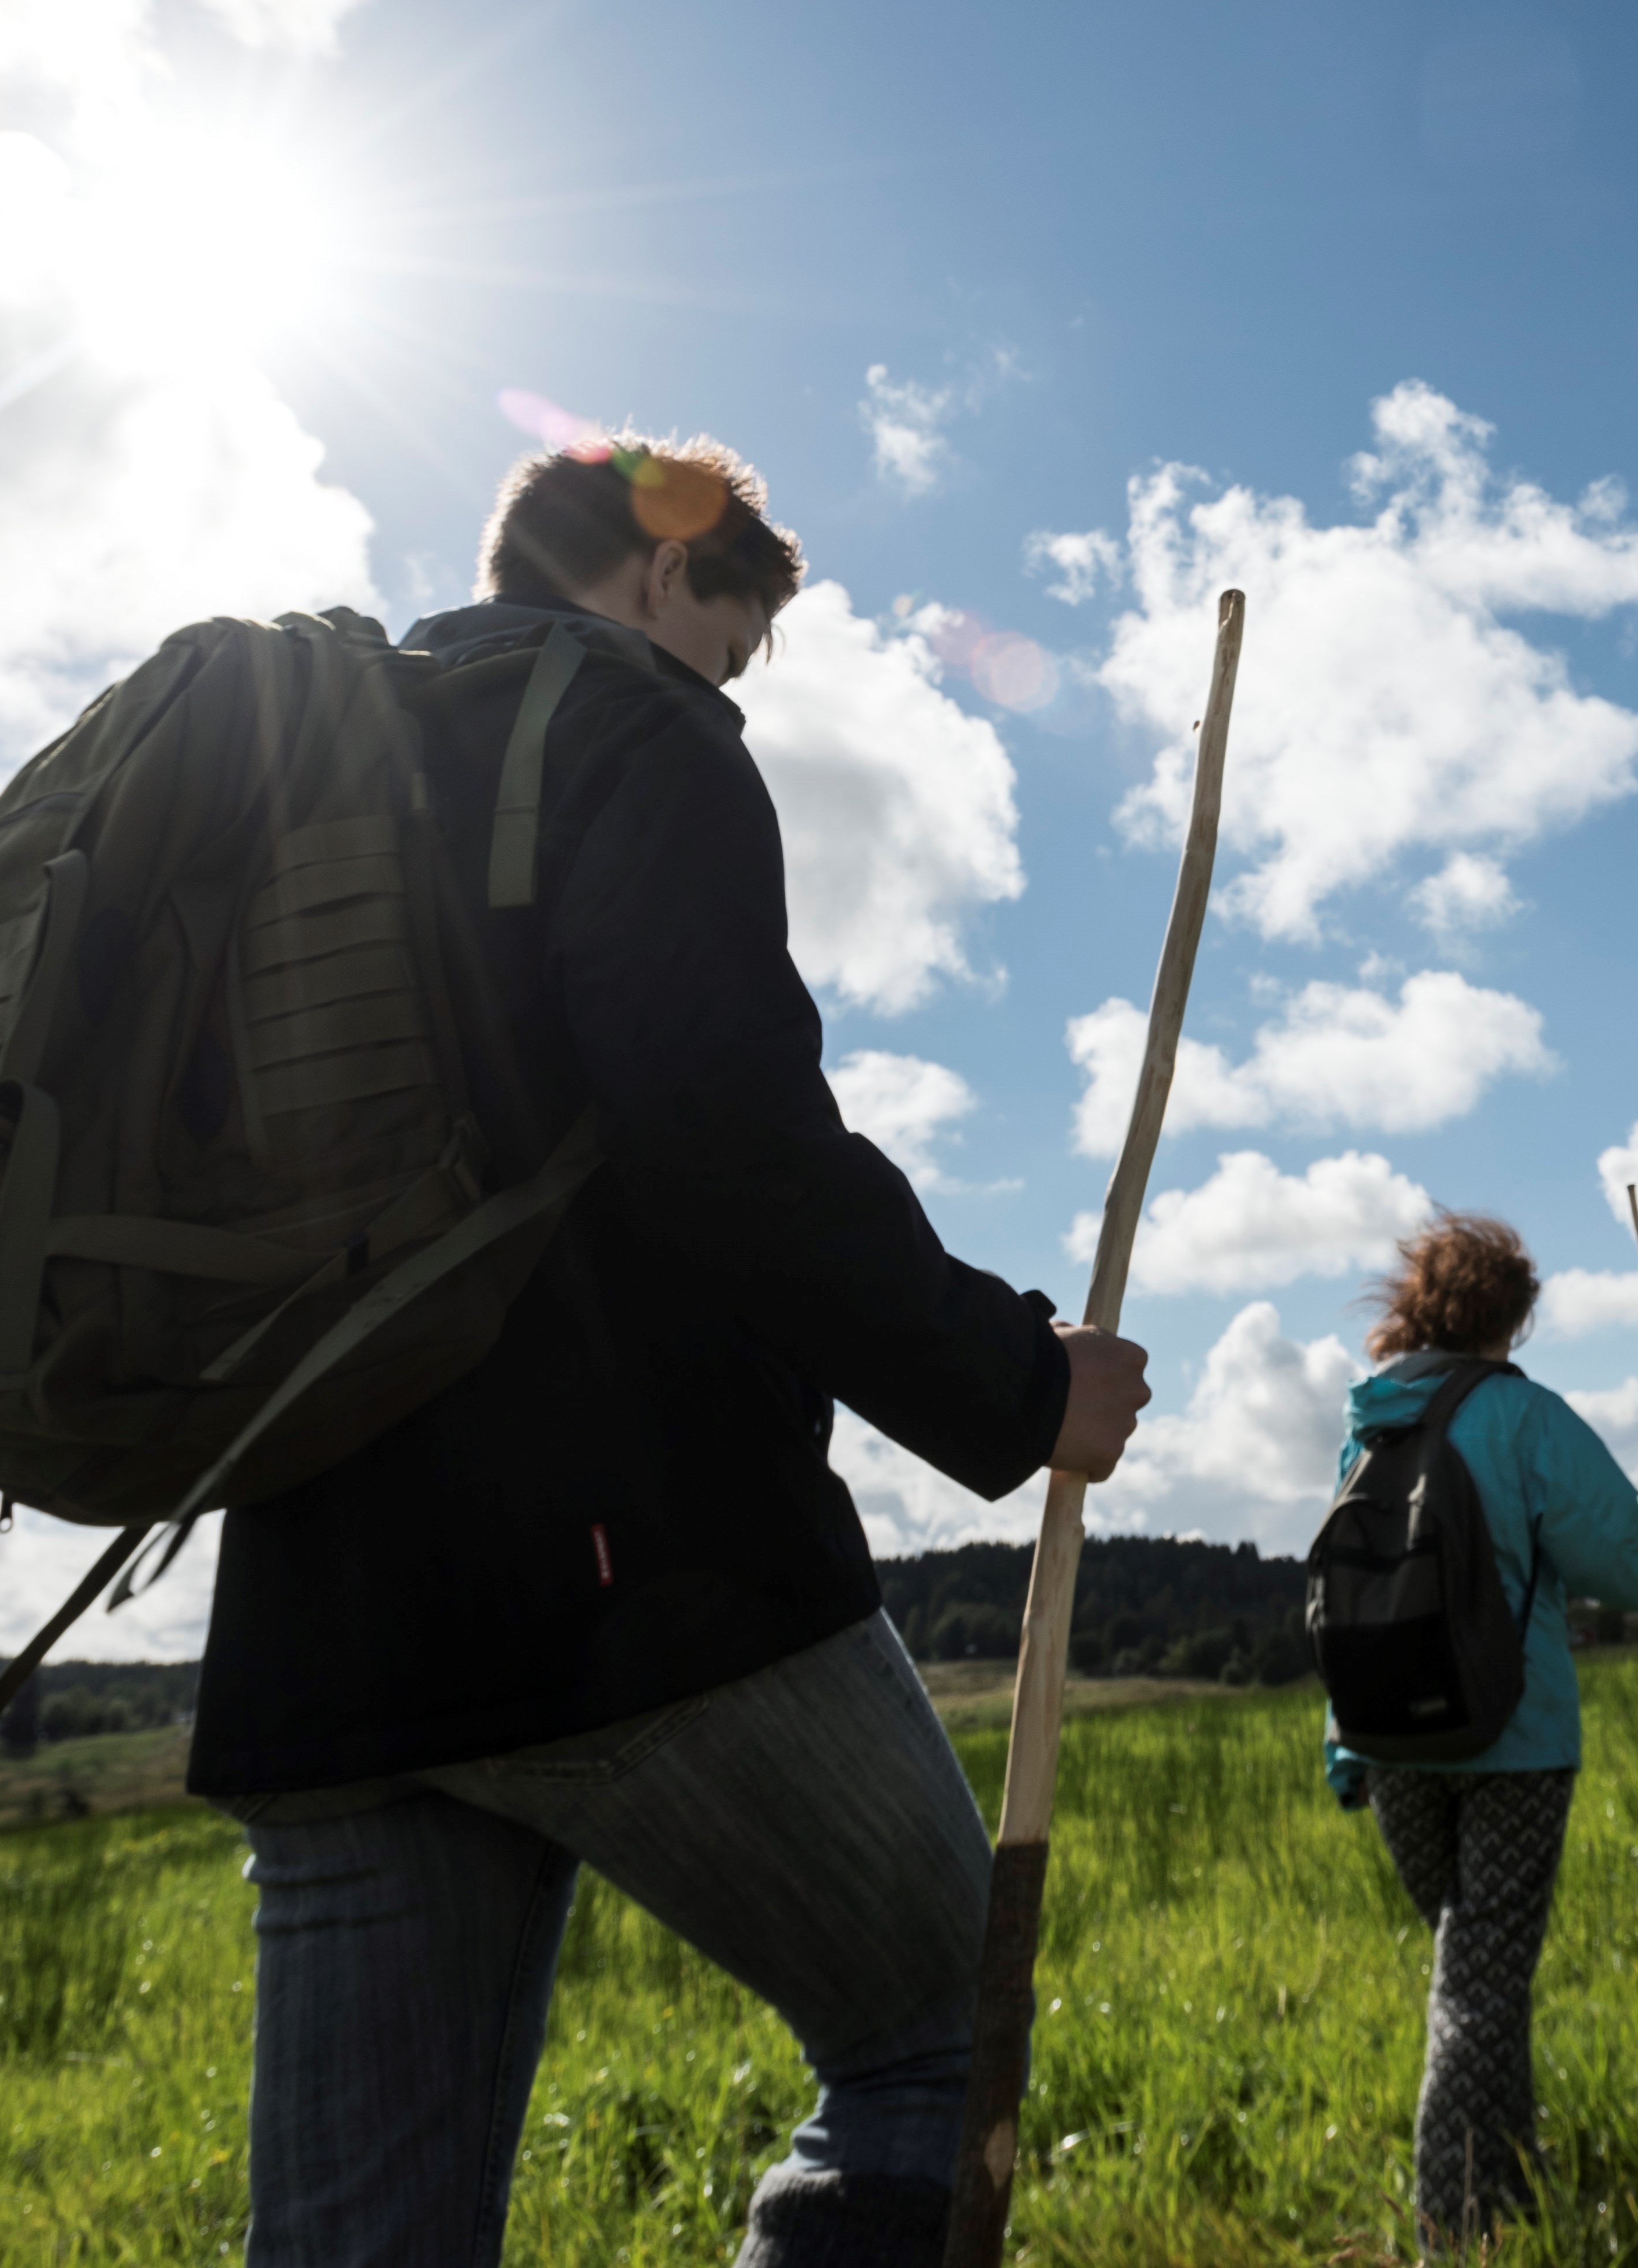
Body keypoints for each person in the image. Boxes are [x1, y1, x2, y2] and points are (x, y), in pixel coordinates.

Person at [186, 434, 1153, 2268]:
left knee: (361, 2239)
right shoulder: (632, 730)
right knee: (943, 2043)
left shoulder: (296, 777)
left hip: (317, 1602)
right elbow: (720, 1127)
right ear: (657, 571)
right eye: (730, 641)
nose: (728, 687)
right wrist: (1022, 1381)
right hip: (626, 1564)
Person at [1321, 1212, 1638, 2248]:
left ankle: (1514, 2183)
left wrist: (1345, 1741)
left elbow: (1356, 1583)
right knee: (1480, 1984)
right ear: (1514, 1316)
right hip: (1514, 1737)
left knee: (1478, 1970)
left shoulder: (1373, 1420)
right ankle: (1451, 2220)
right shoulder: (1523, 1418)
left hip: (1392, 1739)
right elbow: (1627, 1567)